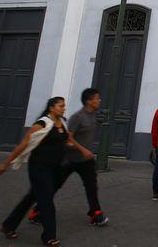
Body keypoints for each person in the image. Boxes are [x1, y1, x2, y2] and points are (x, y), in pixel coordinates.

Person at [0, 97, 93, 246]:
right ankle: (49, 237)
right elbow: (23, 144)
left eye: (64, 106)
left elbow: (69, 139)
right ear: (51, 108)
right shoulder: (42, 124)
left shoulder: (61, 123)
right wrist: (5, 163)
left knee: (30, 198)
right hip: (39, 168)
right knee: (47, 201)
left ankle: (8, 225)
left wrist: (82, 150)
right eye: (61, 106)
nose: (63, 108)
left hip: (54, 168)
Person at [27, 88, 108, 227]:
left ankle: (95, 214)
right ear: (89, 101)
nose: (99, 100)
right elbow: (68, 138)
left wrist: (87, 152)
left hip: (85, 161)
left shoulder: (93, 115)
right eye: (97, 98)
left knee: (91, 186)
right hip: (69, 159)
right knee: (55, 185)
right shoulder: (77, 117)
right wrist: (83, 150)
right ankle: (37, 211)